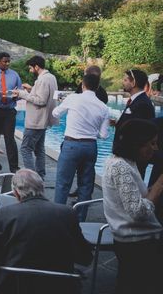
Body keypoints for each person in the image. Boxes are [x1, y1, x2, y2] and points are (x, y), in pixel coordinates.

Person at [0, 169, 92, 294]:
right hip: (58, 286)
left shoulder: (5, 215)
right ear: (42, 188)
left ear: (16, 193)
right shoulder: (67, 213)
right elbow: (85, 257)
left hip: (12, 286)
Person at [103, 119, 163, 294]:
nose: (156, 148)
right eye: (151, 143)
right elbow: (137, 211)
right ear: (136, 143)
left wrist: (149, 190)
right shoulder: (121, 167)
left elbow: (128, 198)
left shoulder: (125, 162)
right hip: (137, 242)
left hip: (132, 240)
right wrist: (159, 186)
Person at [51, 74, 109, 220]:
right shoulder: (103, 107)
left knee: (63, 183)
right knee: (86, 185)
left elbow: (55, 113)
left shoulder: (73, 98)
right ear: (97, 87)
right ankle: (81, 220)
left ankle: (58, 219)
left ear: (83, 85)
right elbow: (103, 135)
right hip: (90, 147)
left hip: (71, 144)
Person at [13, 55, 58, 180]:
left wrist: (22, 94)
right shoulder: (51, 77)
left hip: (36, 120)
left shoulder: (42, 80)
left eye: (31, 67)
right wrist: (32, 89)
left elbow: (41, 100)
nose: (30, 70)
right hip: (44, 120)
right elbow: (44, 95)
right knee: (39, 149)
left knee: (25, 149)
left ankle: (32, 178)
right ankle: (40, 175)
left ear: (37, 66)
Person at [114, 69, 156, 177]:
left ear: (134, 83)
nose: (123, 82)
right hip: (127, 158)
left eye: (126, 80)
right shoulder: (136, 101)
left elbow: (140, 133)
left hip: (132, 159)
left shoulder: (142, 103)